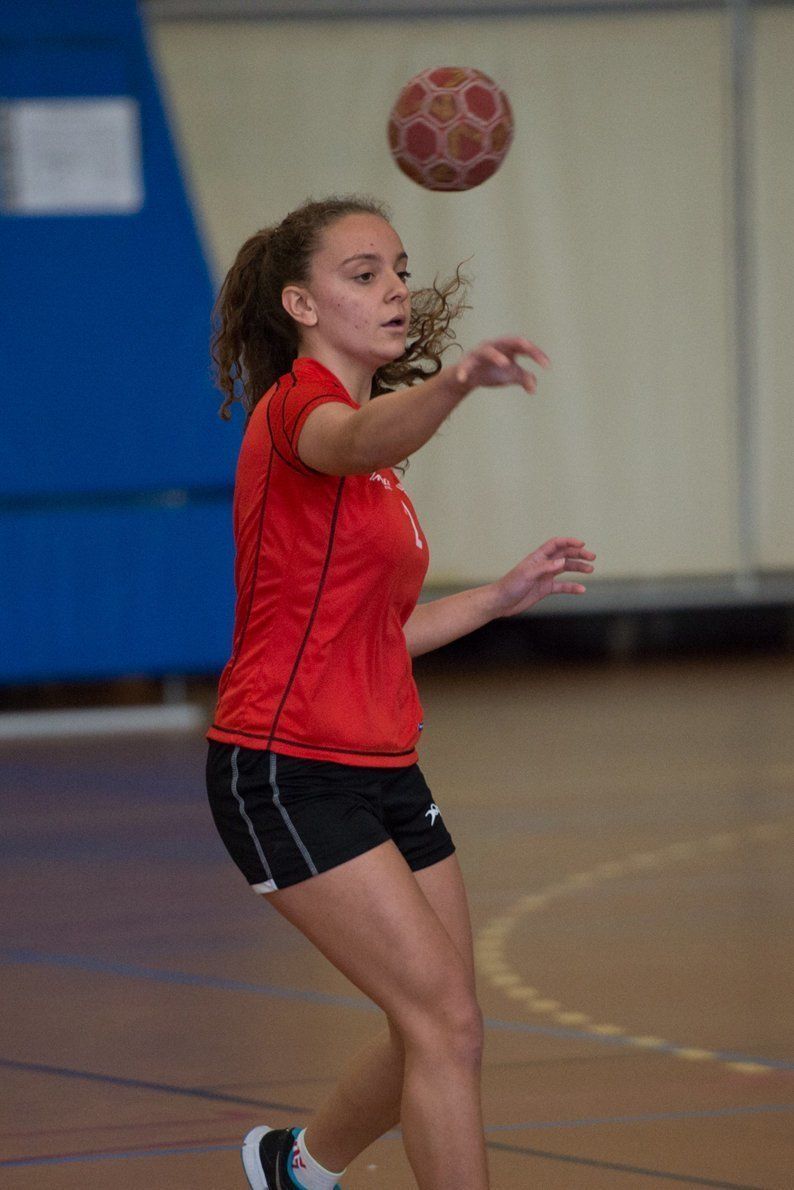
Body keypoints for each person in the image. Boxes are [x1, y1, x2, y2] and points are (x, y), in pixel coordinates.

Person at [205, 196, 595, 1190]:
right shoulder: (300, 410)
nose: (393, 290)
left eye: (398, 268)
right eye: (362, 272)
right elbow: (356, 436)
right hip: (284, 769)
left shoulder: (382, 481)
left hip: (381, 765)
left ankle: (298, 1167)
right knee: (444, 1022)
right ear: (299, 302)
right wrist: (460, 379)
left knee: (442, 1016)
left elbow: (373, 635)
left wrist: (496, 598)